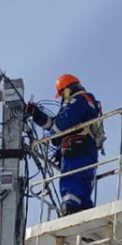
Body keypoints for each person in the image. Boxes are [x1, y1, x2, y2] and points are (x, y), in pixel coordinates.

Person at [26, 74, 103, 215]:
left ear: (68, 90)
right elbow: (55, 124)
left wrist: (54, 137)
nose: (62, 98)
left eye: (62, 94)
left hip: (76, 150)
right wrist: (36, 114)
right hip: (88, 150)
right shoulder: (89, 101)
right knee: (84, 186)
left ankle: (70, 207)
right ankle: (85, 212)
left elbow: (60, 127)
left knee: (71, 180)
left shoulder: (77, 100)